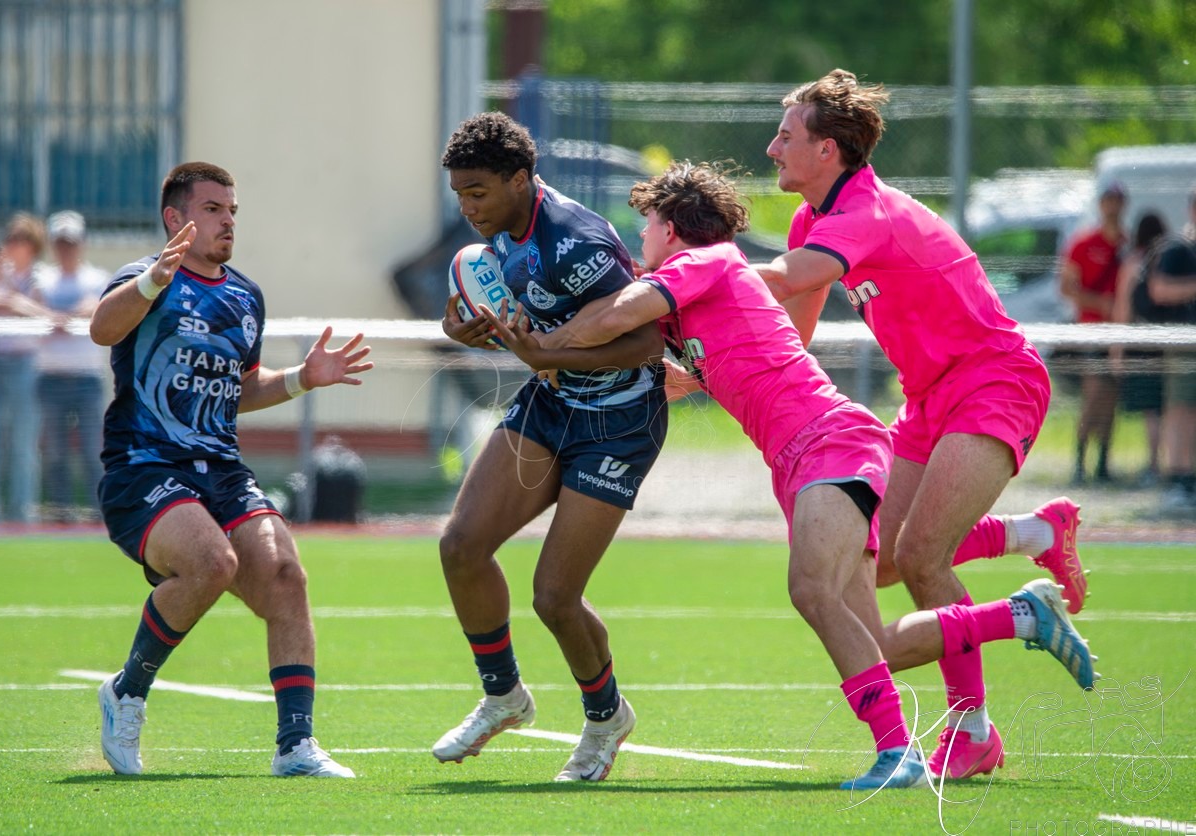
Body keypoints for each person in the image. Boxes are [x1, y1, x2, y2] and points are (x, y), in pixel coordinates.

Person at [487, 160, 1097, 790]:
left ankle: (898, 757)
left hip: (831, 441)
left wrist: (543, 345)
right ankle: (1023, 615)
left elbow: (618, 314)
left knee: (811, 589)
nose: (639, 240)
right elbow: (656, 368)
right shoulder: (692, 295)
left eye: (645, 226)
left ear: (671, 227)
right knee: (877, 642)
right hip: (801, 458)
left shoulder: (707, 261)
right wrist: (521, 339)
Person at [754, 69, 1089, 779]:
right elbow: (792, 333)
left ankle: (972, 734)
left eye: (786, 136)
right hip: (928, 397)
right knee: (880, 574)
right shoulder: (811, 220)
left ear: (829, 152)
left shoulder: (865, 213)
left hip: (994, 380)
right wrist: (696, 360)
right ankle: (1034, 535)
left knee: (926, 556)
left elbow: (780, 280)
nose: (771, 148)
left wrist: (681, 283)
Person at [88, 161, 374, 778]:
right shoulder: (145, 278)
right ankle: (126, 693)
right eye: (213, 208)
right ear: (176, 218)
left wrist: (302, 379)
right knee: (212, 562)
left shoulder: (245, 296)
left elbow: (240, 388)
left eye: (232, 211)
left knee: (285, 575)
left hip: (220, 470)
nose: (227, 221)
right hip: (145, 467)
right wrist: (149, 285)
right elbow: (100, 328)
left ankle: (296, 746)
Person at [432, 112, 668, 782]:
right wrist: (466, 329)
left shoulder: (574, 239)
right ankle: (503, 695)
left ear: (520, 178)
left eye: (478, 191)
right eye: (459, 194)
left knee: (555, 597)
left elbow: (650, 339)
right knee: (461, 546)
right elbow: (518, 314)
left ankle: (605, 718)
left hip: (619, 420)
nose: (467, 207)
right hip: (552, 402)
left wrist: (547, 353)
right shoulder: (496, 235)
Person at [0, 212, 51, 524]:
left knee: (23, 442)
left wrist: (14, 302)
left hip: (25, 364)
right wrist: (7, 295)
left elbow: (41, 312)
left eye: (20, 239)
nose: (12, 245)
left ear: (33, 245)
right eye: (10, 238)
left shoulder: (40, 278)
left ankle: (23, 513)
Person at [36, 210, 111, 522]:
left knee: (93, 451)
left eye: (72, 242)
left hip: (86, 377)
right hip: (50, 377)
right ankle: (61, 514)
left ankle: (98, 514)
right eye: (61, 243)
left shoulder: (97, 278)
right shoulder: (42, 278)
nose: (67, 249)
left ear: (82, 244)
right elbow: (33, 307)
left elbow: (101, 304)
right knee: (55, 453)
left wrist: (71, 314)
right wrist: (54, 315)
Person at [1059, 182, 1128, 484]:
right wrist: (1099, 303)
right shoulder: (1083, 243)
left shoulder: (1127, 243)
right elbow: (1066, 288)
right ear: (1100, 204)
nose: (1112, 207)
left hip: (1118, 331)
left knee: (1111, 396)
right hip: (1090, 329)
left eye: (1117, 201)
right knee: (1094, 394)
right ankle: (1080, 460)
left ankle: (1102, 463)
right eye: (1108, 200)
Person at [1141, 187, 1196, 514]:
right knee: (1179, 409)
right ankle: (1177, 477)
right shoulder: (1178, 247)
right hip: (1183, 343)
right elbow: (1159, 290)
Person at [1111, 212, 1168, 486]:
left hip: (1142, 346)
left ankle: (1155, 464)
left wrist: (1116, 349)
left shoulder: (1134, 263)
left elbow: (1123, 308)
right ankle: (1176, 464)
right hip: (1171, 343)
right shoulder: (1169, 261)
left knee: (1151, 409)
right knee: (1173, 407)